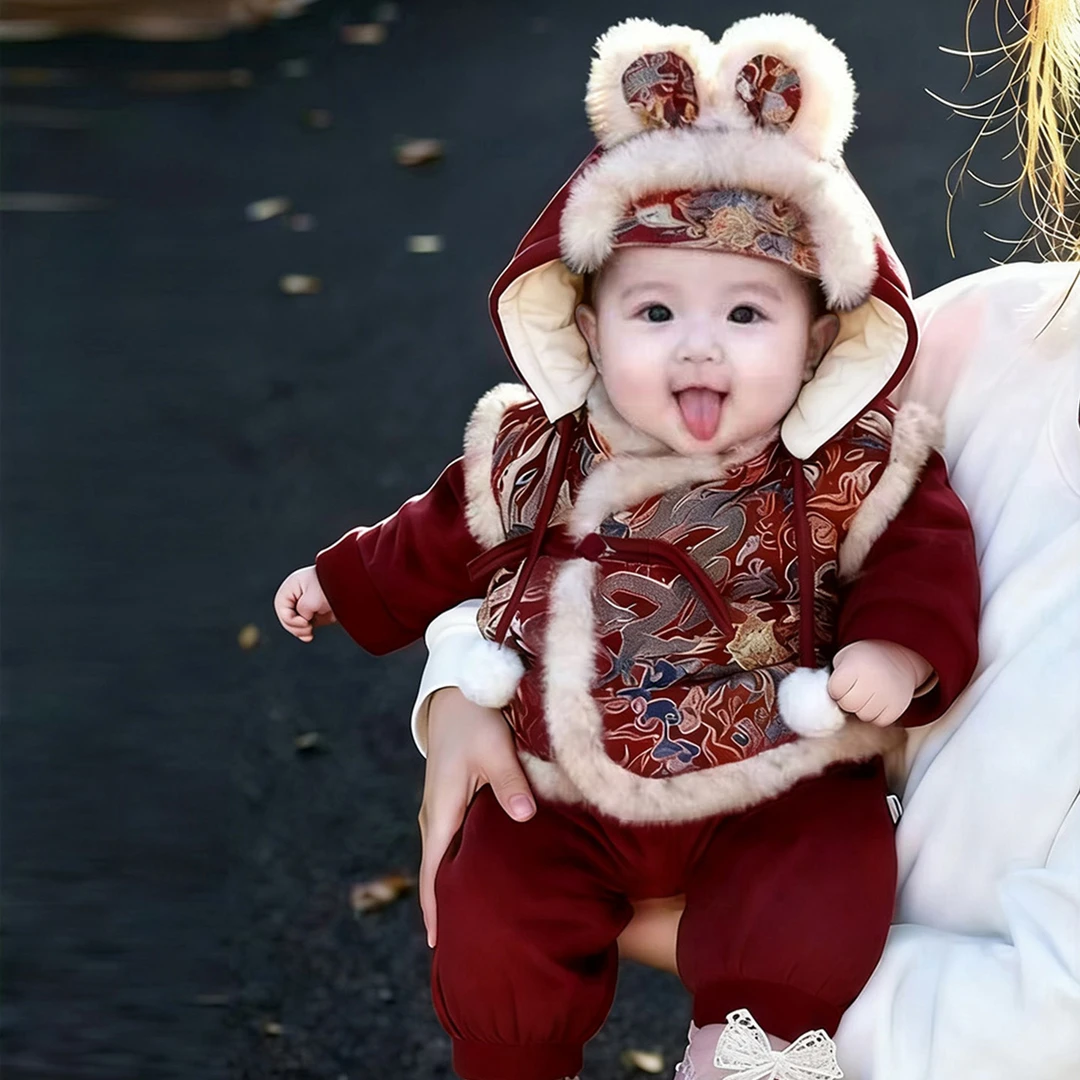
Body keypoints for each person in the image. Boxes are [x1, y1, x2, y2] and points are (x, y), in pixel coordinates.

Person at [276, 15, 981, 1078]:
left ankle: (749, 1047)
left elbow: (926, 557)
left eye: (747, 315)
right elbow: (438, 530)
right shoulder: (539, 449)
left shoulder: (854, 463)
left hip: (771, 772)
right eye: (654, 312)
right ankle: (514, 1055)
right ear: (587, 327)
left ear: (821, 337)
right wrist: (344, 581)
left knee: (817, 876)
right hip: (557, 780)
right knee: (496, 903)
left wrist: (897, 650)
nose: (698, 345)